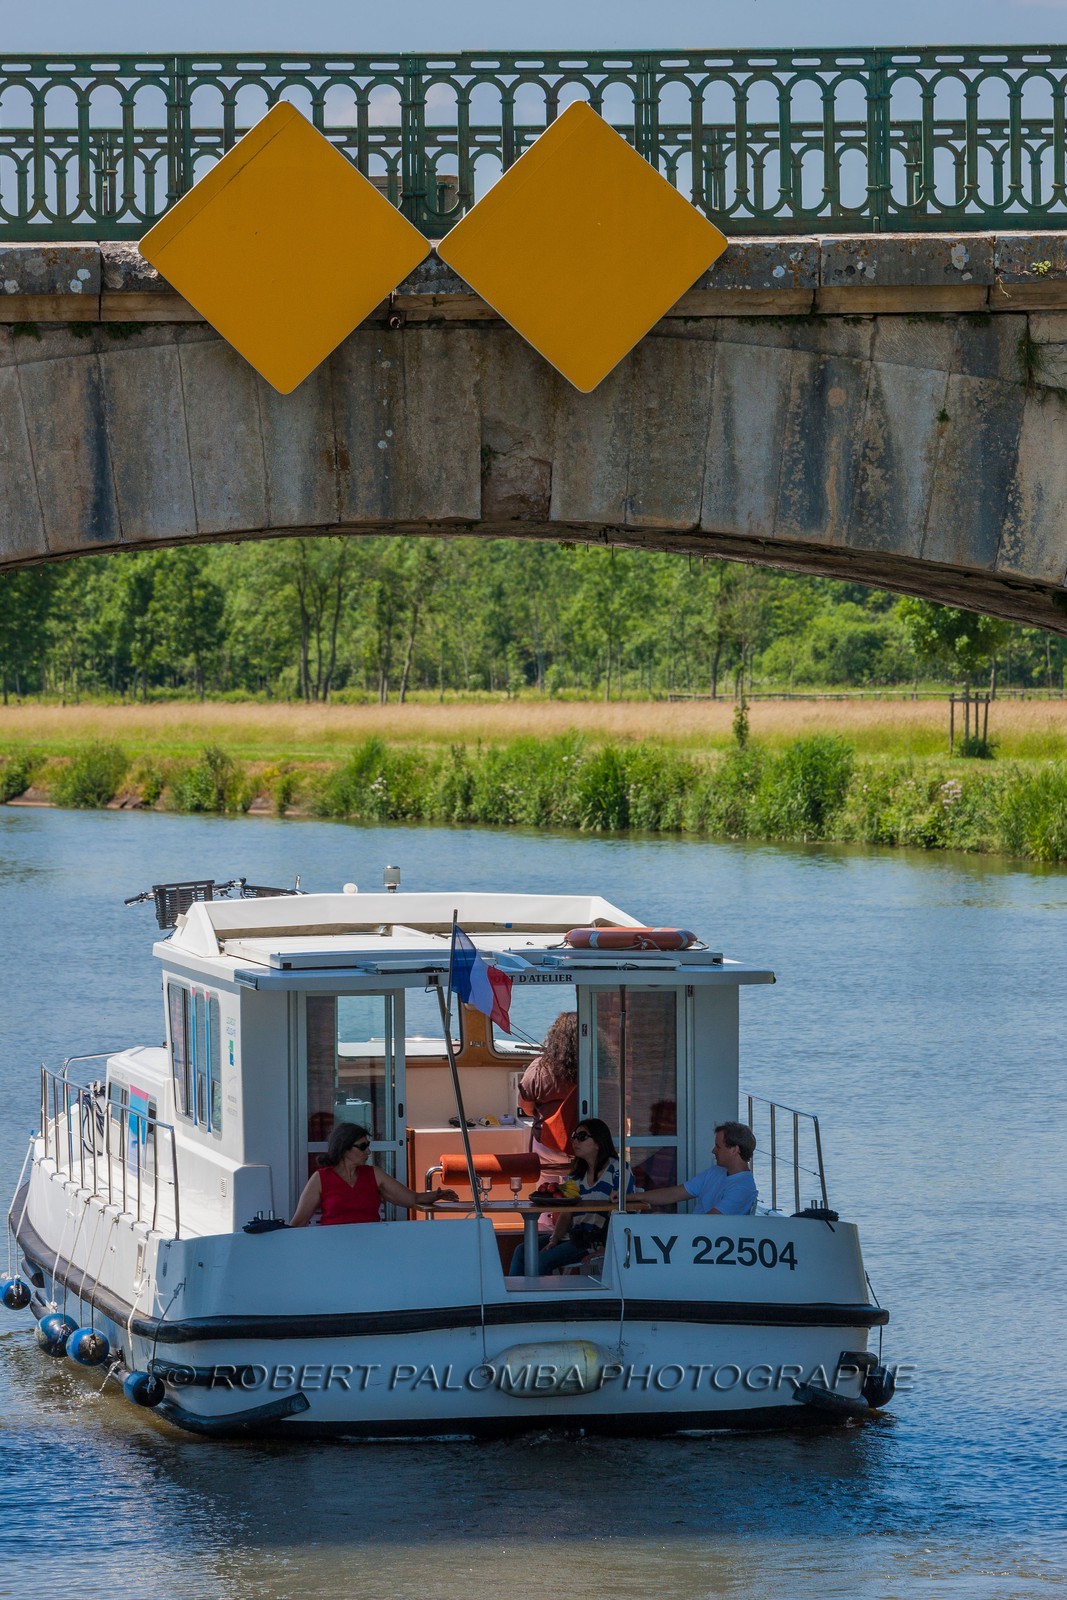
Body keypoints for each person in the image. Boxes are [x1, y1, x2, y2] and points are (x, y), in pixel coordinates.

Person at [510, 1118, 635, 1276]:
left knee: (542, 1261)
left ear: (598, 1142)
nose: (575, 1141)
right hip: (573, 1235)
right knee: (522, 1251)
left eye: (582, 1136)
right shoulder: (576, 1175)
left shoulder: (618, 1169)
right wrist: (554, 1239)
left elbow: (626, 1210)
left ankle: (537, 1298)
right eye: (574, 1136)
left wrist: (606, 1246)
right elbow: (567, 1212)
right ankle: (514, 1298)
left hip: (594, 1240)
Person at [290, 1122, 457, 1226]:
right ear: (344, 1148)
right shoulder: (321, 1178)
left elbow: (412, 1199)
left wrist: (438, 1194)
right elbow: (299, 1222)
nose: (368, 1152)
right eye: (362, 1147)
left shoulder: (373, 1174)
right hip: (333, 1247)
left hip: (372, 1244)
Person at [638, 1121, 758, 1215]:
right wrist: (629, 1197)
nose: (713, 1151)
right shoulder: (716, 1171)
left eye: (718, 1146)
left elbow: (710, 1222)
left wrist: (667, 1219)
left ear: (734, 1150)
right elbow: (673, 1194)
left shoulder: (743, 1187)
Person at [518, 1010, 579, 1181]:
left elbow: (526, 1107)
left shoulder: (540, 1067)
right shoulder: (601, 1067)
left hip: (548, 1147)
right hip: (590, 1148)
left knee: (547, 1194)